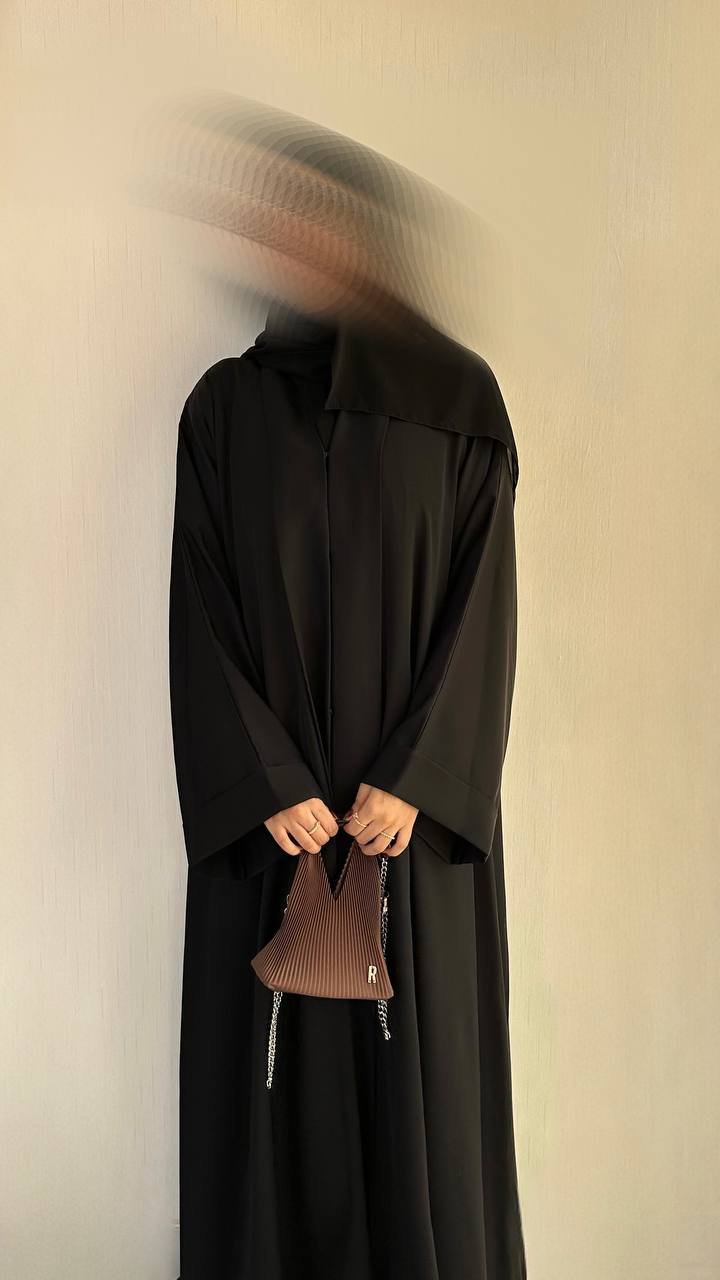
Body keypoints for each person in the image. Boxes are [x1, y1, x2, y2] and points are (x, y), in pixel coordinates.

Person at [164, 97, 527, 1280]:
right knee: (273, 1118)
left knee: (422, 1119)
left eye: (317, 217)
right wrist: (262, 777)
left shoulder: (459, 404)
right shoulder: (225, 411)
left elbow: (483, 615)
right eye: (272, 217)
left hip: (408, 839)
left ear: (369, 235)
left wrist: (421, 780)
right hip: (276, 835)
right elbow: (201, 608)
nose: (291, 240)